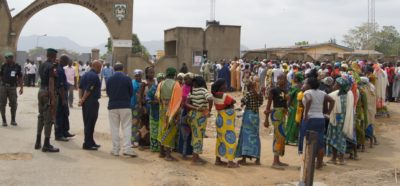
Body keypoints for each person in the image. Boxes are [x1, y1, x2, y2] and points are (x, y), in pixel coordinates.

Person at [299, 77, 334, 169]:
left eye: (305, 83)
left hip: (310, 119)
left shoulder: (307, 92)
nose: (303, 85)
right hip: (320, 119)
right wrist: (328, 114)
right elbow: (332, 100)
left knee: (307, 141)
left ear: (309, 85)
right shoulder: (322, 93)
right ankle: (319, 164)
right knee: (320, 142)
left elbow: (309, 100)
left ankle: (307, 164)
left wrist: (306, 114)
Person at [106, 63, 137, 157]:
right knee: (127, 127)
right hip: (125, 106)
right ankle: (127, 149)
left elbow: (108, 92)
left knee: (114, 128)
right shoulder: (127, 78)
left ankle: (115, 150)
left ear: (114, 69)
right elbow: (131, 92)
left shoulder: (110, 79)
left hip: (113, 106)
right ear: (123, 69)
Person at [34, 48, 59, 152]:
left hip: (41, 91)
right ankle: (46, 144)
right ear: (53, 56)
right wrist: (53, 99)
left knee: (41, 116)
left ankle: (38, 141)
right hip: (48, 93)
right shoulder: (51, 67)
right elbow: (51, 82)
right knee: (48, 119)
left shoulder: (42, 65)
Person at [156, 67, 182, 161]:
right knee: (170, 130)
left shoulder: (160, 84)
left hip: (162, 109)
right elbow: (178, 101)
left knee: (162, 129)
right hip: (172, 110)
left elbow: (157, 97)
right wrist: (177, 114)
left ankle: (161, 152)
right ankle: (168, 155)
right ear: (174, 74)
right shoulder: (176, 85)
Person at [185, 76, 213, 165]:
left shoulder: (192, 90)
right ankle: (194, 159)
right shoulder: (203, 90)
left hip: (192, 115)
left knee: (195, 135)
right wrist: (209, 110)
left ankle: (196, 156)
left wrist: (195, 108)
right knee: (198, 137)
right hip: (200, 116)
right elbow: (210, 98)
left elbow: (186, 103)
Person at [211, 79, 239, 168]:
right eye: (224, 84)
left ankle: (218, 159)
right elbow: (233, 101)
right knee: (230, 139)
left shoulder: (214, 95)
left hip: (220, 118)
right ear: (221, 86)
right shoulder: (224, 95)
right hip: (227, 120)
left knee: (220, 139)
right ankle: (230, 162)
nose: (226, 86)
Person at [326, 77, 354, 165]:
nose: (334, 85)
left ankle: (340, 158)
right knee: (334, 138)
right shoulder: (336, 94)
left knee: (340, 138)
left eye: (336, 84)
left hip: (341, 121)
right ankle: (334, 158)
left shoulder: (348, 95)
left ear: (340, 86)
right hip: (335, 120)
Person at [264, 74, 288, 169]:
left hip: (282, 114)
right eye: (281, 78)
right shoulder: (273, 90)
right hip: (276, 114)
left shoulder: (285, 91)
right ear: (277, 80)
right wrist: (266, 120)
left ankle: (278, 159)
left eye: (284, 79)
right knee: (278, 136)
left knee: (281, 137)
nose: (283, 80)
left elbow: (285, 104)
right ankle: (275, 161)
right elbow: (268, 106)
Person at [236, 81, 263, 165]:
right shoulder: (258, 94)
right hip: (255, 116)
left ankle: (244, 159)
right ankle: (257, 158)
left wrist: (242, 104)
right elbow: (260, 102)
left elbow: (243, 101)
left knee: (245, 135)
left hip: (248, 115)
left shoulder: (248, 94)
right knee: (255, 135)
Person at [79, 60, 102, 150]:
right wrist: (83, 99)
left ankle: (91, 141)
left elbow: (80, 88)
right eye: (100, 67)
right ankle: (87, 143)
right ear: (96, 66)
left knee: (88, 122)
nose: (100, 69)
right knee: (90, 123)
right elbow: (89, 90)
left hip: (86, 102)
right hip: (91, 101)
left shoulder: (85, 75)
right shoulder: (94, 76)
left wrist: (81, 99)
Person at [55, 55, 75, 142]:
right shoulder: (59, 70)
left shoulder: (61, 69)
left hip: (64, 94)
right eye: (67, 61)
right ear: (63, 61)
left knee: (65, 114)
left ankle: (64, 131)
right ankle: (58, 134)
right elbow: (60, 86)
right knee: (59, 115)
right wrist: (63, 99)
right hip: (60, 96)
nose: (68, 63)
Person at [0, 52, 23, 126]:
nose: (6, 60)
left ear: (12, 58)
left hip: (13, 87)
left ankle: (13, 120)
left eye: (7, 58)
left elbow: (20, 77)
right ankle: (4, 120)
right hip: (3, 87)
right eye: (6, 58)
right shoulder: (3, 66)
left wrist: (21, 88)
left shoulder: (17, 66)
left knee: (14, 104)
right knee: (2, 104)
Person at [177, 73, 194, 158]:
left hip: (192, 111)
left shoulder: (194, 88)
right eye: (185, 79)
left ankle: (190, 152)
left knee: (191, 132)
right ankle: (183, 152)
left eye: (187, 79)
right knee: (184, 133)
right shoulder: (184, 88)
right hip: (184, 111)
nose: (185, 81)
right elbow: (182, 101)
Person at [147, 73, 164, 152]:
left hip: (163, 113)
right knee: (154, 130)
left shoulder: (165, 89)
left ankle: (162, 148)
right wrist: (152, 101)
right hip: (154, 112)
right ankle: (154, 147)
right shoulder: (154, 88)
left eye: (162, 79)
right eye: (159, 79)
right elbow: (147, 97)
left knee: (162, 131)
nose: (161, 80)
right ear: (157, 80)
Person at [286, 72, 304, 145]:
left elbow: (289, 98)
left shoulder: (294, 87)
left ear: (297, 78)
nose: (293, 78)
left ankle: (290, 139)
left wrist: (287, 107)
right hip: (301, 107)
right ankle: (296, 139)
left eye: (294, 77)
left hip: (293, 107)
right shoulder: (303, 87)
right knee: (298, 123)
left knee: (291, 122)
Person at [131, 69, 143, 148]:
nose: (137, 77)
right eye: (136, 76)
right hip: (134, 106)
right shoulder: (132, 83)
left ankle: (139, 140)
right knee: (134, 124)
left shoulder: (143, 83)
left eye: (139, 76)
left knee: (140, 124)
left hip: (141, 106)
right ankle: (133, 141)